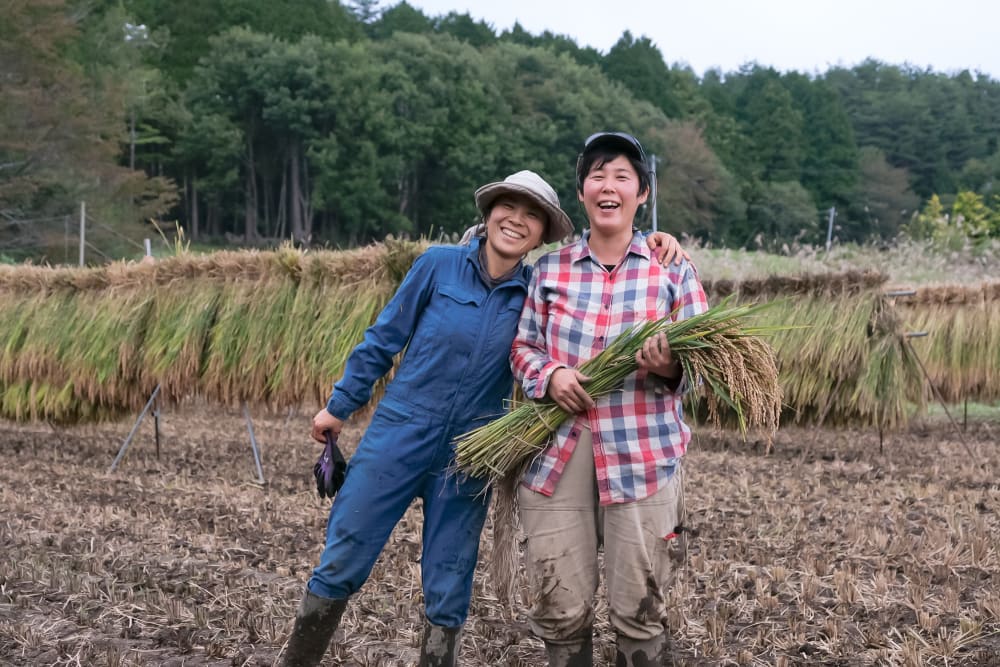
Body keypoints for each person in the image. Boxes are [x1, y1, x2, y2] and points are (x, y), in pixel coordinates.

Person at [280, 169, 689, 667]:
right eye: (507, 207)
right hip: (399, 434)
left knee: (449, 584)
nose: (516, 220)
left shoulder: (535, 285)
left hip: (471, 452)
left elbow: (558, 317)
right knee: (343, 558)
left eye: (532, 215)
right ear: (488, 213)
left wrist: (654, 239)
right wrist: (339, 406)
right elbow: (383, 339)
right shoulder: (438, 266)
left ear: (542, 233)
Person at [510, 132, 710, 667]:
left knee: (639, 608)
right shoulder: (549, 270)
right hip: (555, 453)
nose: (608, 186)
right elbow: (523, 346)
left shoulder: (672, 268)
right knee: (560, 605)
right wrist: (550, 376)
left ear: (641, 193)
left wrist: (671, 367)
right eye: (597, 175)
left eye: (622, 176)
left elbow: (704, 360)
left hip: (643, 453)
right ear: (581, 193)